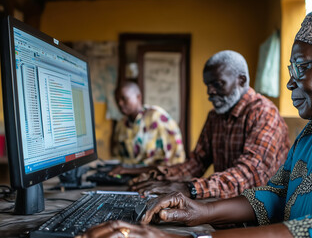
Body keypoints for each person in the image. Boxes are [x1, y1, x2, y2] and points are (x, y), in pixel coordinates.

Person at [81, 7, 312, 238]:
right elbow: (274, 195)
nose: (291, 83)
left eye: (301, 67)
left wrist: (198, 235)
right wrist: (198, 211)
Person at [120, 50, 291, 200]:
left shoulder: (264, 113)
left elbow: (250, 175)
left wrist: (190, 188)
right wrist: (155, 177)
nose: (210, 91)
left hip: (261, 215)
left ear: (241, 80)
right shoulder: (215, 117)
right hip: (226, 206)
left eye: (218, 83)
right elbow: (196, 163)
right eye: (208, 85)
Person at [111, 81, 186, 169]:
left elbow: (175, 160)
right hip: (128, 175)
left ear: (138, 97)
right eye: (117, 100)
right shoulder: (121, 124)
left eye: (124, 98)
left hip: (158, 177)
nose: (120, 103)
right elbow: (118, 156)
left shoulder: (158, 117)